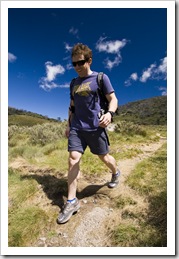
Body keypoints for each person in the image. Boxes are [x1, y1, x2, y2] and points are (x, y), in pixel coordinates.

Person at [57, 43, 121, 224]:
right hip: (77, 127)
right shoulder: (73, 83)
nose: (77, 67)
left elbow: (113, 99)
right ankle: (71, 201)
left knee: (104, 158)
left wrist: (110, 113)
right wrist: (69, 125)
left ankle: (115, 172)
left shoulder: (101, 78)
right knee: (73, 159)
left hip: (96, 127)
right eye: (74, 64)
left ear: (89, 60)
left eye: (80, 63)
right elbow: (72, 106)